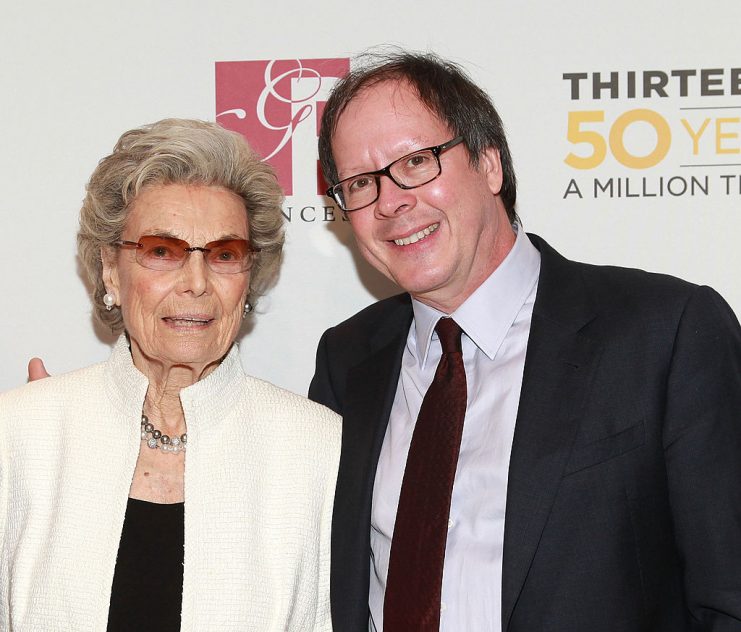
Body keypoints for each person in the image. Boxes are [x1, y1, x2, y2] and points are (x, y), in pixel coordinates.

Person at [309, 52, 741, 631]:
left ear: (490, 165)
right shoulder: (346, 361)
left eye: (415, 162)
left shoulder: (666, 333)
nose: (390, 201)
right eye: (360, 183)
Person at [1, 119, 340, 631]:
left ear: (248, 280)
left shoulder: (318, 448)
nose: (197, 284)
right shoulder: (22, 433)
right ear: (111, 269)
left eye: (225, 254)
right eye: (163, 251)